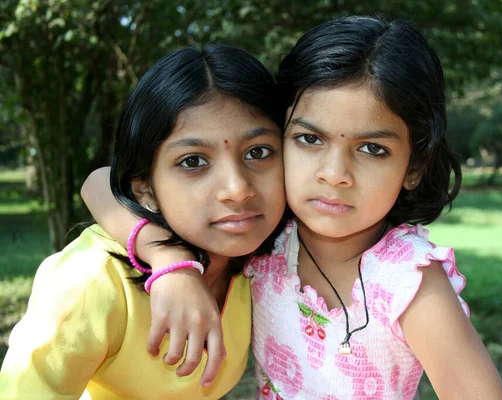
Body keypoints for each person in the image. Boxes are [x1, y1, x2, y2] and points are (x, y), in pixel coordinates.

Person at [82, 16, 502, 399]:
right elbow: (99, 184)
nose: (334, 173)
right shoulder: (267, 239)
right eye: (310, 139)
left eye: (372, 148)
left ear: (413, 166)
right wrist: (169, 262)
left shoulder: (409, 283)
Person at [0, 45, 287, 400]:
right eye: (193, 161)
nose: (237, 190)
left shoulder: (268, 264)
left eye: (257, 152)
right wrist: (173, 264)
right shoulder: (94, 281)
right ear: (145, 188)